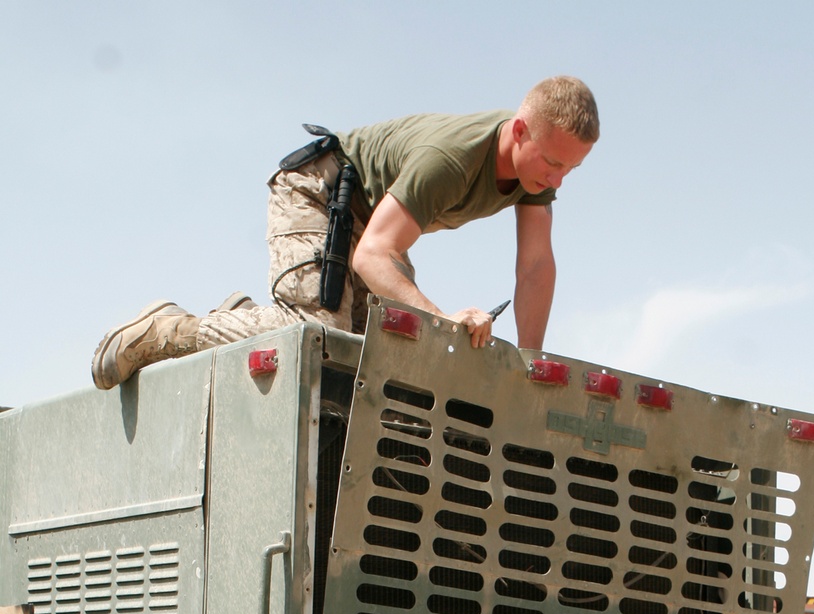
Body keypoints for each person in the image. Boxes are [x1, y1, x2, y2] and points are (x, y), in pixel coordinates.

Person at [91, 77, 598, 390]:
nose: (555, 181)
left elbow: (535, 265)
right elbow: (374, 257)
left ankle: (249, 319)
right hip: (319, 191)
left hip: (370, 221)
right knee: (321, 327)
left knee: (388, 348)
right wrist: (445, 320)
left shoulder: (536, 177)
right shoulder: (451, 158)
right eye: (552, 163)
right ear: (518, 131)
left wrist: (533, 364)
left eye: (568, 172)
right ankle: (168, 330)